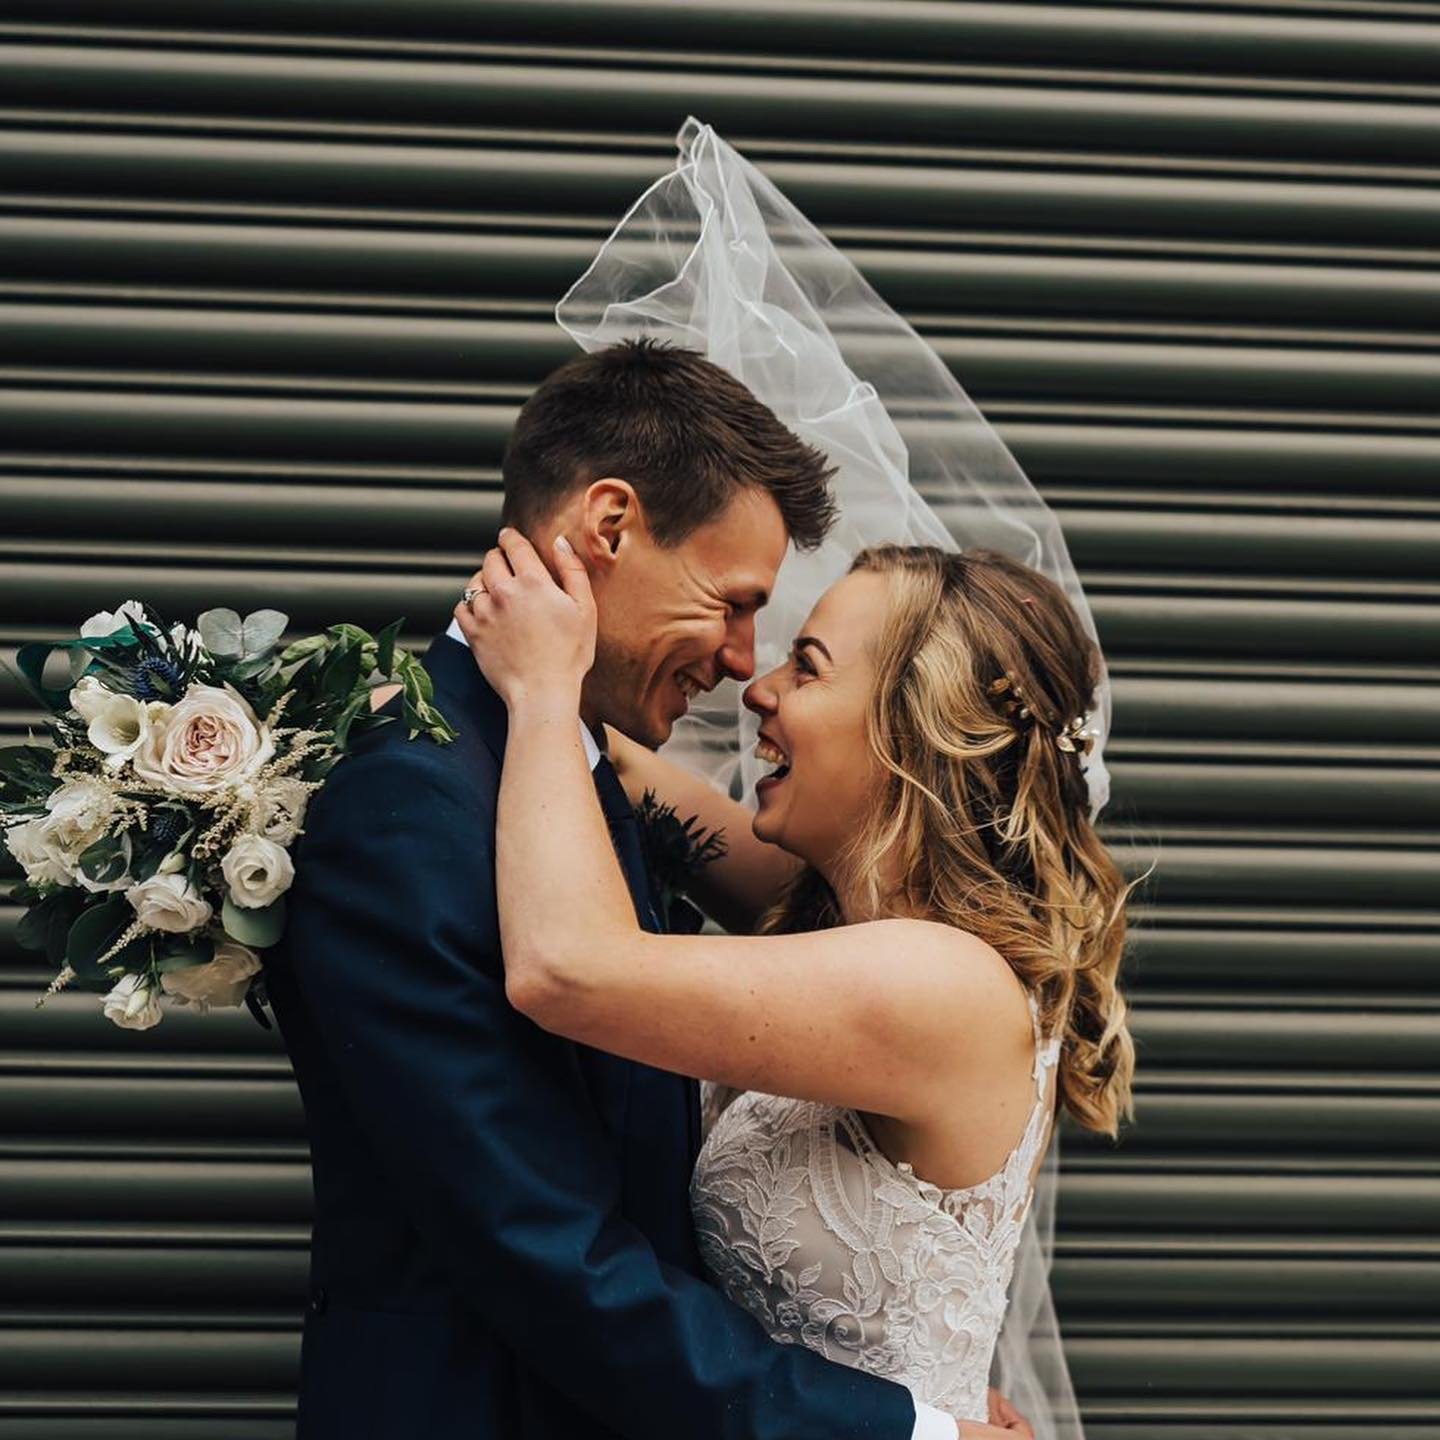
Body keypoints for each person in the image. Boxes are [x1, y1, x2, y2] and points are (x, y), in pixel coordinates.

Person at [266, 338, 1015, 1438]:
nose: (741, 664)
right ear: (609, 528)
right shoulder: (413, 800)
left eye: (798, 657)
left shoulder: (566, 756)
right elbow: (538, 1239)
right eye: (734, 603)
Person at [451, 525, 1136, 1430]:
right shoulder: (841, 916)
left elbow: (563, 968)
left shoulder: (941, 984)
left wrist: (539, 690)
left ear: (913, 726)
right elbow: (608, 763)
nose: (758, 691)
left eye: (807, 668)